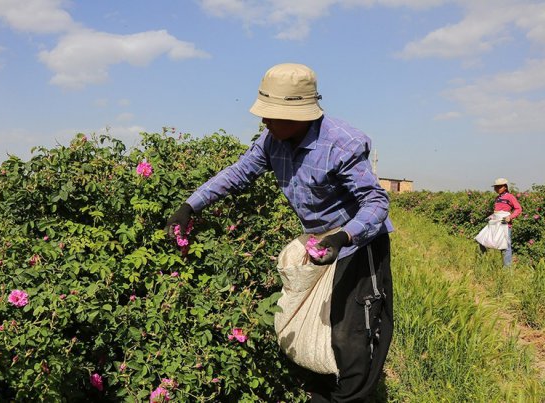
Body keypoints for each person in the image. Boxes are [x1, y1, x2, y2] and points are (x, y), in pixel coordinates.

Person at [165, 63, 394, 402]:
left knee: (351, 334)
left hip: (356, 244)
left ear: (300, 115)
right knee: (310, 324)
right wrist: (189, 206)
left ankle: (352, 396)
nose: (264, 121)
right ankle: (319, 391)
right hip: (317, 243)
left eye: (272, 115)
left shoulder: (340, 145)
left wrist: (342, 237)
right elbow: (237, 173)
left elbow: (376, 202)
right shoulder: (272, 141)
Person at [481, 178, 522, 266]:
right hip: (495, 223)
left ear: (505, 187)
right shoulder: (497, 198)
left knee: (505, 246)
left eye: (499, 187)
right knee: (482, 241)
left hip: (504, 224)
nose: (497, 189)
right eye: (496, 187)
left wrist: (510, 217)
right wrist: (491, 217)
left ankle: (507, 271)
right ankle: (483, 261)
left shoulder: (510, 196)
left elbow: (518, 209)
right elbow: (497, 212)